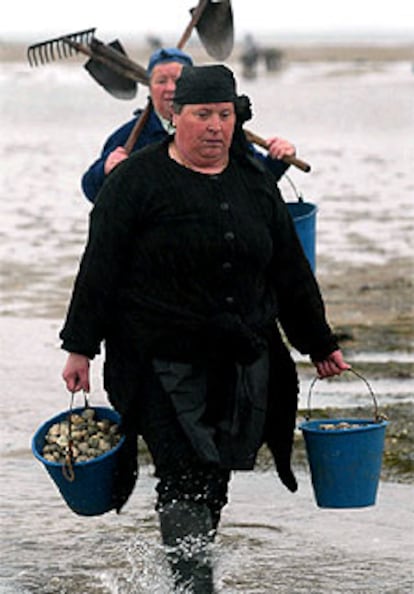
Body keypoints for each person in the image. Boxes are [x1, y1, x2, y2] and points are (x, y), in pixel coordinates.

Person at [60, 64, 350, 592]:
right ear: (175, 117)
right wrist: (79, 347)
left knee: (212, 475)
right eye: (202, 115)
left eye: (224, 115)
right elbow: (98, 268)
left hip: (240, 358)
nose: (215, 126)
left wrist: (318, 343)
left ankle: (184, 571)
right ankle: (194, 582)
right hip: (158, 356)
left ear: (236, 119)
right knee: (185, 470)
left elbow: (288, 269)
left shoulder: (255, 185)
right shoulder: (134, 182)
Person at [81, 47, 297, 203]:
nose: (170, 88)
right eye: (161, 81)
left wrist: (278, 158)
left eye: (178, 80)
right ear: (150, 87)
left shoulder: (222, 133)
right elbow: (93, 192)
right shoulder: (128, 137)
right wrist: (105, 170)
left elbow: (259, 181)